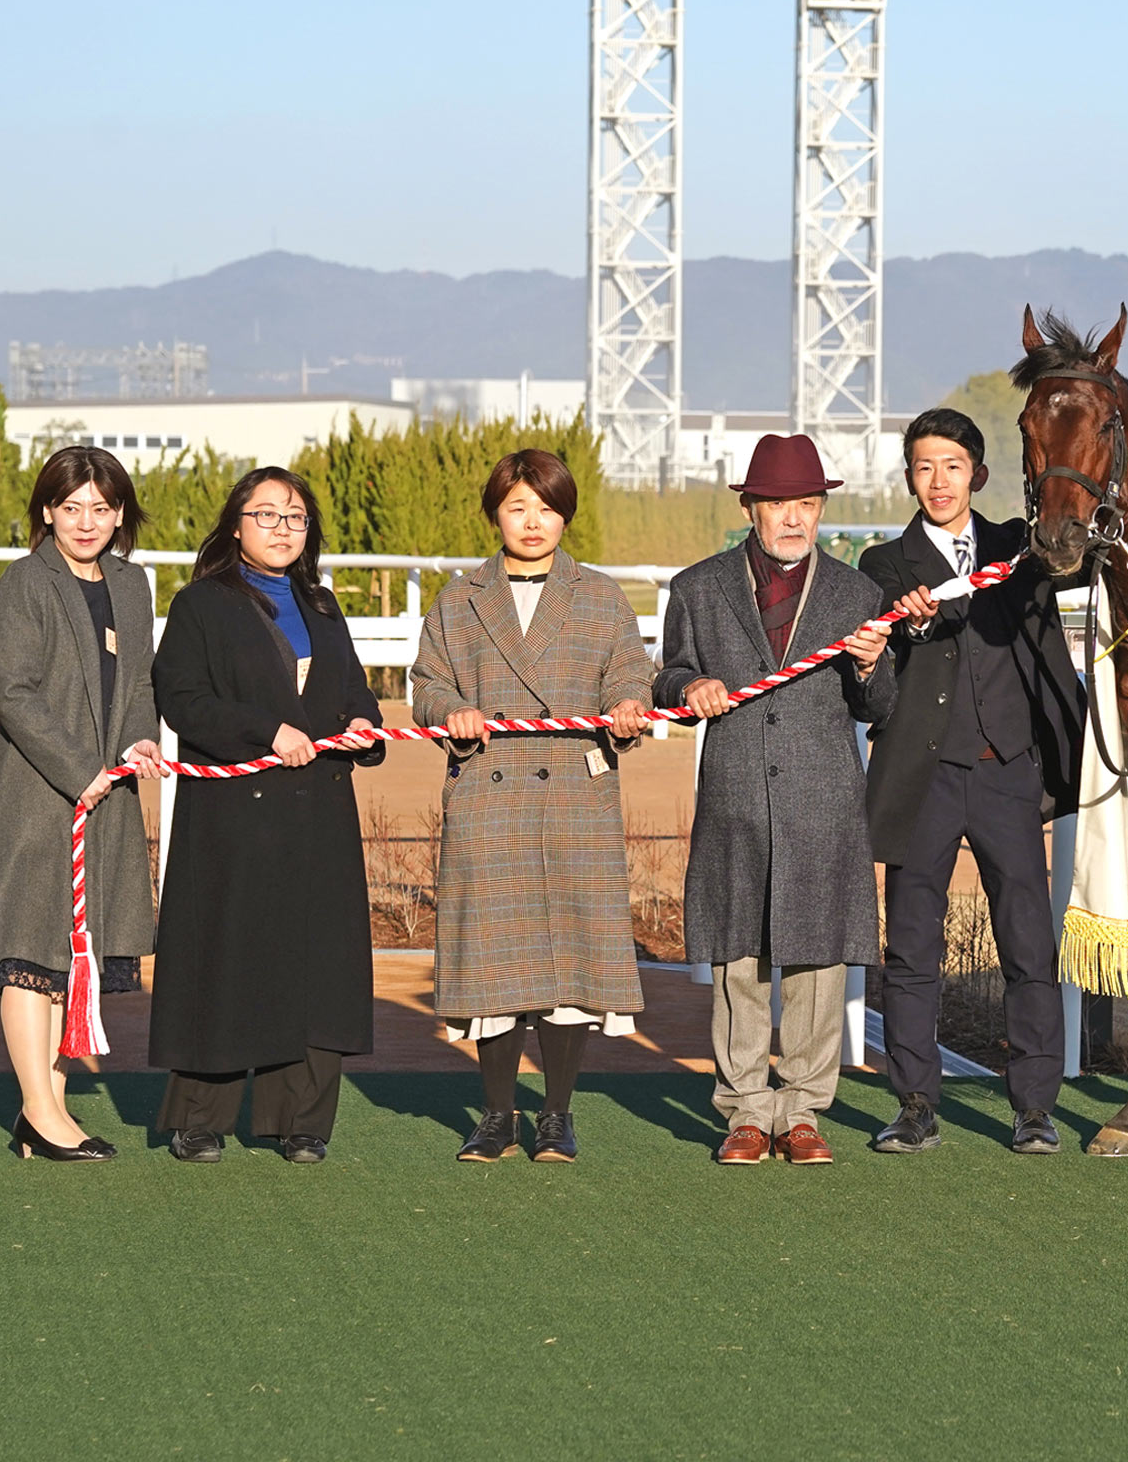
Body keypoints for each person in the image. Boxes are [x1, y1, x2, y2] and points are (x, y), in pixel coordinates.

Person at [654, 433, 896, 1166]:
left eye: (808, 503)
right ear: (751, 509)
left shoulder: (858, 595)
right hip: (734, 795)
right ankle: (745, 1113)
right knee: (740, 959)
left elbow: (878, 706)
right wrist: (687, 687)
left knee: (820, 963)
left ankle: (803, 1112)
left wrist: (873, 665)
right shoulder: (698, 588)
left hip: (823, 801)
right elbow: (666, 677)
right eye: (779, 504)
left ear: (821, 508)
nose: (794, 518)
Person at [410, 450, 654, 1164]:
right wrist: (451, 709)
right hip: (490, 793)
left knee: (567, 966)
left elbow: (628, 668)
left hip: (576, 794)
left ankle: (556, 1113)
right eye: (518, 507)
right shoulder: (460, 600)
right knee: (494, 968)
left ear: (565, 515)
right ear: (495, 514)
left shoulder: (602, 595)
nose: (532, 522)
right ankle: (495, 1113)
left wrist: (625, 706)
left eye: (546, 509)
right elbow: (426, 683)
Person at [858, 408, 1084, 1154]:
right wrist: (913, 624)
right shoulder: (884, 566)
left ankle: (1035, 1107)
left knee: (1027, 940)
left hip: (1006, 772)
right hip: (921, 777)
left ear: (979, 475)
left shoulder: (1019, 548)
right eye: (924, 467)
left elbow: (1076, 558)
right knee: (913, 945)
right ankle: (916, 1102)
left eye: (952, 466)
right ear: (908, 478)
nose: (938, 481)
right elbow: (887, 660)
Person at [148, 467, 384, 1164]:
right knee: (227, 959)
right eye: (267, 515)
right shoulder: (201, 605)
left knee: (316, 964)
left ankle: (301, 1121)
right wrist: (266, 730)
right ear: (234, 525)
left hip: (319, 814)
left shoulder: (324, 604)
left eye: (296, 518)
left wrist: (364, 725)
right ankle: (200, 1118)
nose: (283, 529)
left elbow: (354, 691)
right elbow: (182, 698)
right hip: (233, 818)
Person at [0, 447, 166, 1162]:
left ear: (120, 514)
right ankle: (43, 1113)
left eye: (102, 508)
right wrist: (81, 769)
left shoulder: (132, 585)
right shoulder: (23, 584)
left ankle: (43, 1113)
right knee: (31, 952)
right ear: (47, 510)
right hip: (36, 794)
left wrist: (140, 742)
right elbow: (13, 692)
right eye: (73, 507)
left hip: (107, 799)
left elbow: (139, 682)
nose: (88, 522)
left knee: (69, 960)